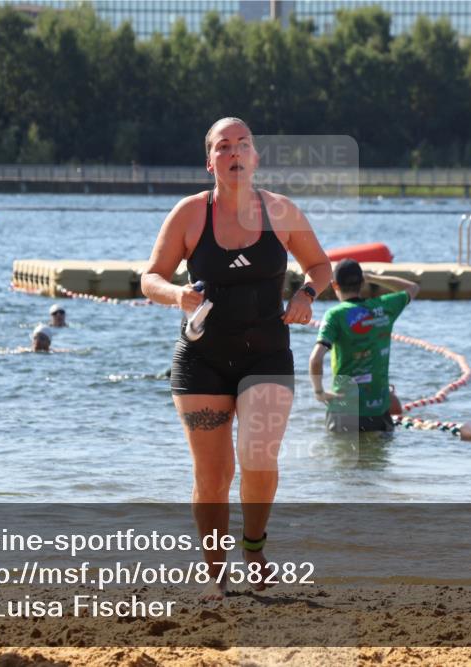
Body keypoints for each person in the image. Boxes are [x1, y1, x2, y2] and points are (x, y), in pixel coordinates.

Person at [140, 117, 331, 600]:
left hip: (267, 352)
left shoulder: (282, 211)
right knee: (213, 474)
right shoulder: (188, 214)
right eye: (223, 146)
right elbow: (150, 278)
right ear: (211, 162)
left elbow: (321, 266)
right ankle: (214, 573)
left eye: (243, 144)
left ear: (256, 157)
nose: (234, 152)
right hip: (202, 357)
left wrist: (307, 293)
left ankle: (254, 548)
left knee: (258, 456)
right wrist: (177, 296)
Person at [309, 259, 418, 433]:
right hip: (378, 408)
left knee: (341, 456)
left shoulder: (335, 315)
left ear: (335, 285)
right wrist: (374, 278)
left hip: (344, 409)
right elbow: (413, 288)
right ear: (362, 282)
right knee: (378, 457)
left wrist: (319, 392)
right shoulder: (383, 307)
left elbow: (315, 359)